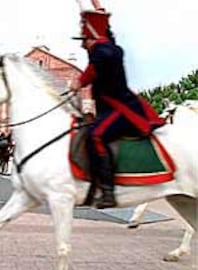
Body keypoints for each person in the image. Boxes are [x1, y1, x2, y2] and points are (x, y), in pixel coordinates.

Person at [70, 4, 165, 208]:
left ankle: (107, 192)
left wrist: (78, 82)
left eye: (83, 40)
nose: (82, 45)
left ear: (92, 36)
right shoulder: (106, 45)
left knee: (96, 136)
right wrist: (98, 9)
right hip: (109, 108)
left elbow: (92, 70)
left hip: (120, 109)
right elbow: (105, 30)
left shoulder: (103, 51)